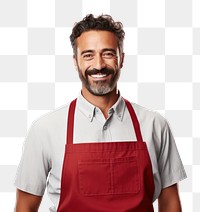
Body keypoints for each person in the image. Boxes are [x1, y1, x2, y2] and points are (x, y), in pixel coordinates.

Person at [14, 14, 187, 212]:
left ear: (121, 59)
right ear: (75, 61)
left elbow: (170, 202)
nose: (98, 65)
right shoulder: (45, 129)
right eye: (88, 55)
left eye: (108, 53)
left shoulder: (155, 124)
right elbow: (25, 206)